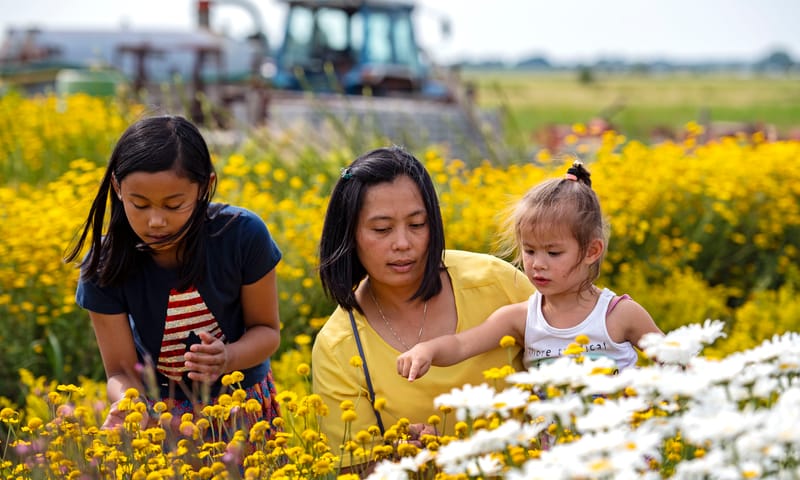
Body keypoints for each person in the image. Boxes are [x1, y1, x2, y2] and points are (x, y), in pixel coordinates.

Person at [312, 146, 535, 467]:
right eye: (381, 229)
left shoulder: (495, 282)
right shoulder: (338, 348)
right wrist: (401, 458)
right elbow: (355, 468)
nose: (403, 243)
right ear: (349, 236)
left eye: (417, 225)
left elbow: (572, 352)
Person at [65, 115, 282, 434]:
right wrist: (131, 404)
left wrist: (228, 357)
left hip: (242, 404)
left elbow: (267, 331)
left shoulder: (242, 235)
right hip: (161, 418)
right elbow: (120, 372)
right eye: (140, 204)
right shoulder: (104, 262)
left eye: (173, 205)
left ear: (205, 187)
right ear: (117, 187)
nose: (155, 221)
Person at [397, 161, 664, 382]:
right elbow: (462, 345)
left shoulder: (619, 315)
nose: (538, 263)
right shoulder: (522, 318)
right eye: (530, 251)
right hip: (549, 447)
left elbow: (679, 363)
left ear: (592, 251)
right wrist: (427, 350)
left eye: (553, 253)